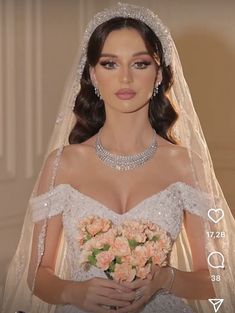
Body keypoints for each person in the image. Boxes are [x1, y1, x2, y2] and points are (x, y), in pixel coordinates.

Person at [2, 2, 235, 313]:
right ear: (93, 75)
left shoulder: (186, 164)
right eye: (110, 64)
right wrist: (74, 293)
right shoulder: (64, 163)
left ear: (158, 76)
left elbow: (216, 275)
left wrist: (167, 278)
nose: (125, 78)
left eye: (139, 64)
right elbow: (35, 272)